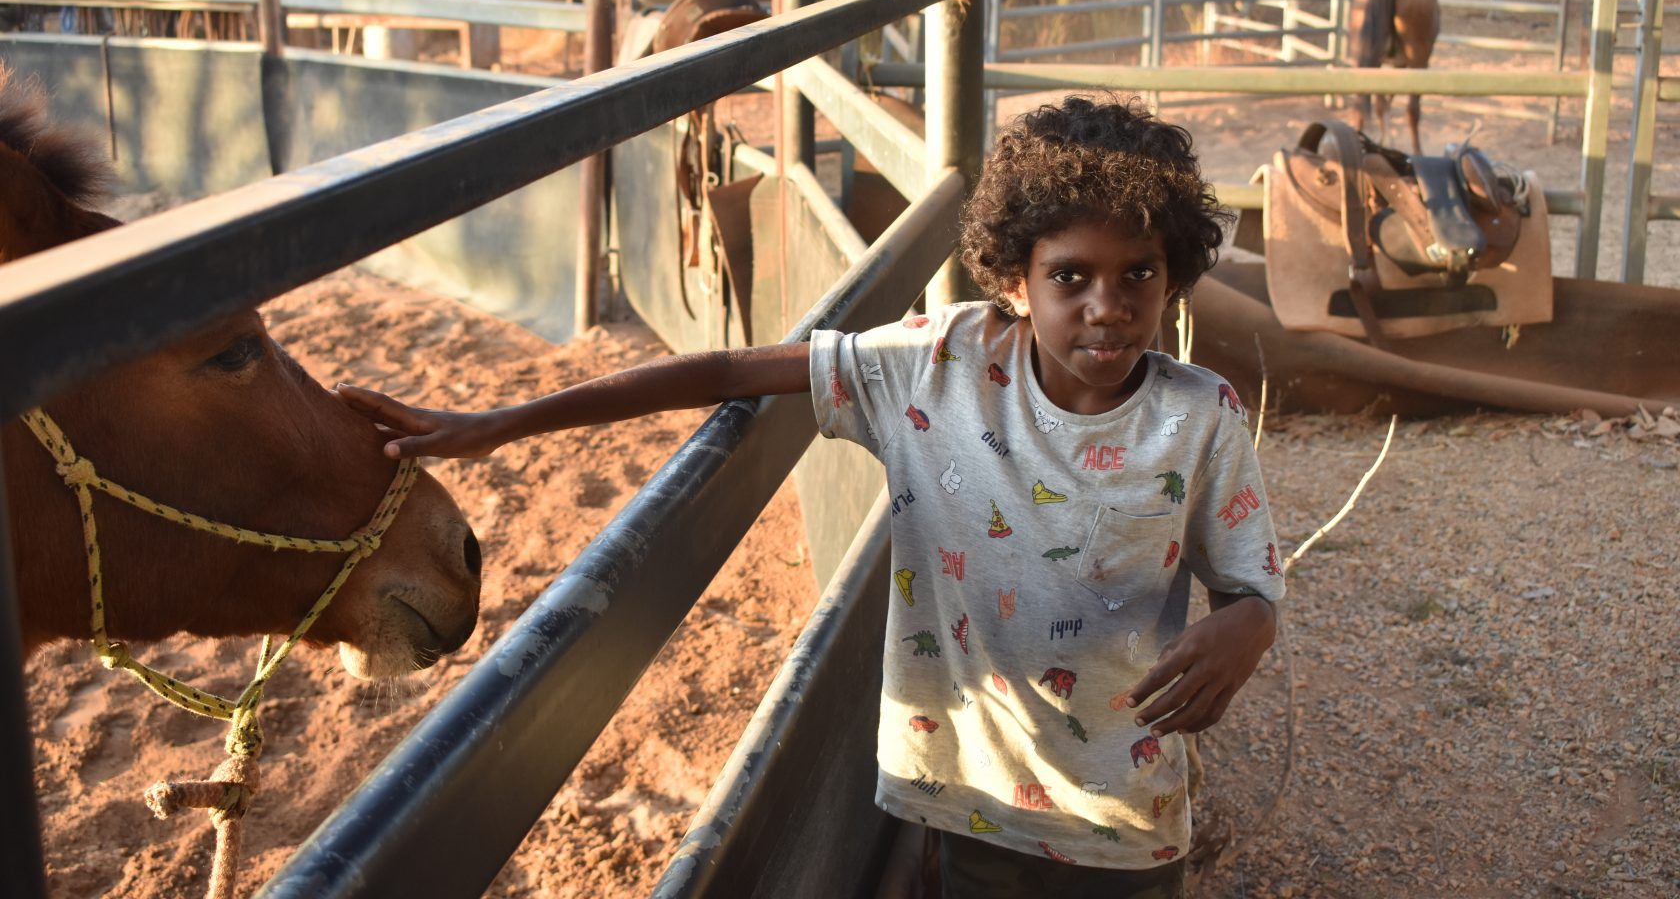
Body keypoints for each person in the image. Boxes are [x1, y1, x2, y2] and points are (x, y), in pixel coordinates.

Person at [336, 96, 1283, 898]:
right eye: (1069, 276)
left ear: (1175, 277)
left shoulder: (1201, 418)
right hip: (963, 799)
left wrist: (1247, 625)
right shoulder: (933, 369)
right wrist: (499, 422)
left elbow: (1250, 582)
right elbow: (736, 367)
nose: (1106, 305)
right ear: (1012, 280)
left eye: (1138, 275)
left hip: (1126, 820)